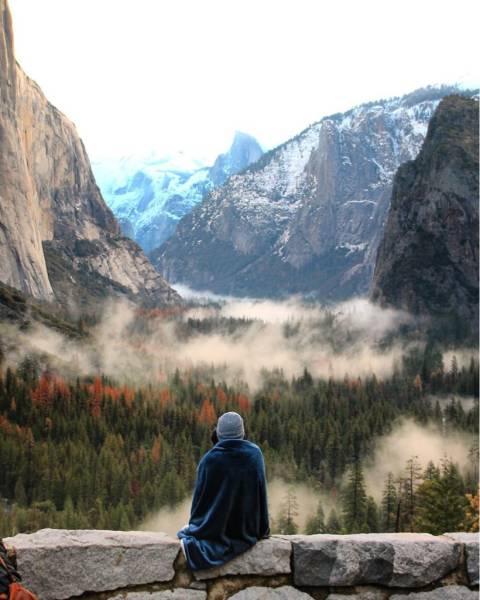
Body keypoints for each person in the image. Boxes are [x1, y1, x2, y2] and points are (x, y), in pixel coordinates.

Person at [177, 411, 269, 571]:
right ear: (242, 433)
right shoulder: (255, 455)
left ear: (218, 433)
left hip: (215, 530)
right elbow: (261, 496)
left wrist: (196, 527)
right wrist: (263, 529)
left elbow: (198, 504)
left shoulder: (208, 460)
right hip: (248, 531)